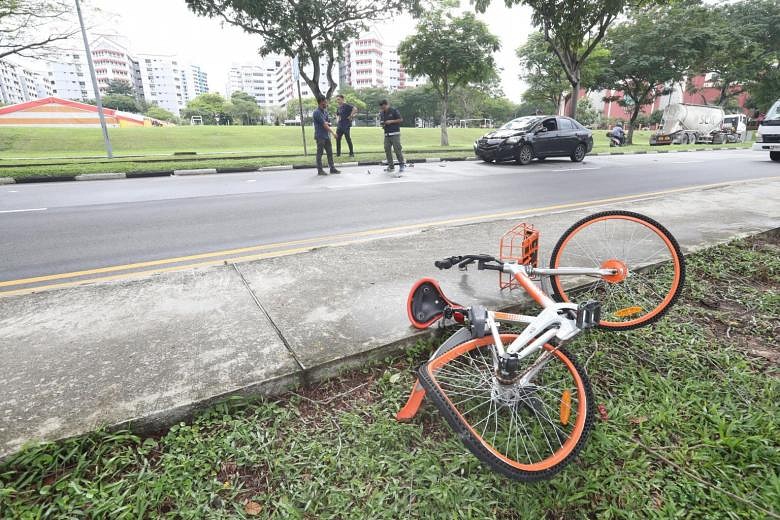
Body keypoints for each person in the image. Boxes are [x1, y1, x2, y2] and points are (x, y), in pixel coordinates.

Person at [312, 95, 340, 176]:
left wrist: (327, 123)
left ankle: (332, 168)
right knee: (319, 153)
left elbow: (328, 123)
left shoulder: (325, 112)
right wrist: (333, 133)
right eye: (325, 101)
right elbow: (325, 124)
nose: (326, 103)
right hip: (320, 136)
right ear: (321, 102)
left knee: (330, 153)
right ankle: (320, 170)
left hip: (327, 136)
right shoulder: (317, 112)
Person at [379, 99, 404, 175]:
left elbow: (400, 119)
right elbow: (382, 121)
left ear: (387, 104)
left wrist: (391, 121)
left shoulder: (394, 110)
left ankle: (401, 164)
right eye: (382, 108)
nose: (383, 109)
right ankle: (391, 166)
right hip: (387, 134)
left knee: (397, 149)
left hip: (395, 133)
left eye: (384, 107)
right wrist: (383, 124)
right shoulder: (382, 113)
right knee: (387, 149)